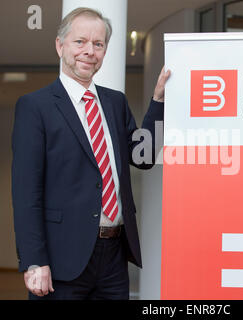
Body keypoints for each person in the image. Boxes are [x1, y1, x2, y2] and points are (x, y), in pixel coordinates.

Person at [11, 7, 170, 300]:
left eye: (98, 44)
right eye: (80, 42)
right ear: (60, 46)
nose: (89, 51)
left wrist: (158, 101)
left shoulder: (115, 103)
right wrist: (35, 260)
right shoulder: (35, 107)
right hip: (61, 260)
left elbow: (143, 157)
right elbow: (26, 194)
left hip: (113, 257)